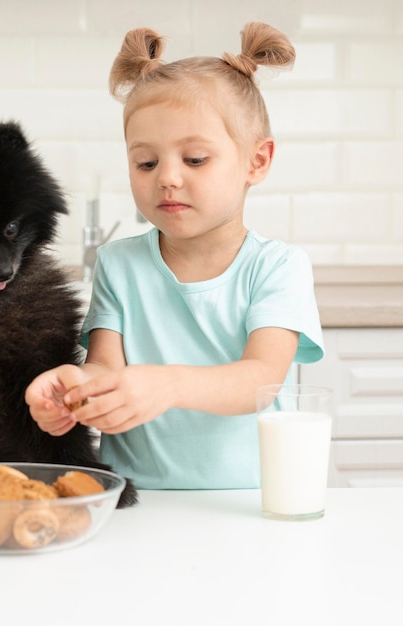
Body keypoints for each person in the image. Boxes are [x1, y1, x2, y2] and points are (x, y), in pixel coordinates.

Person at [25, 22, 324, 490]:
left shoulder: (277, 267)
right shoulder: (119, 264)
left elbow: (260, 379)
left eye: (195, 159)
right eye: (146, 162)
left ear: (257, 161)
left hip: (248, 499)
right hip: (136, 499)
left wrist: (167, 385)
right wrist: (75, 388)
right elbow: (107, 368)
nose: (166, 177)